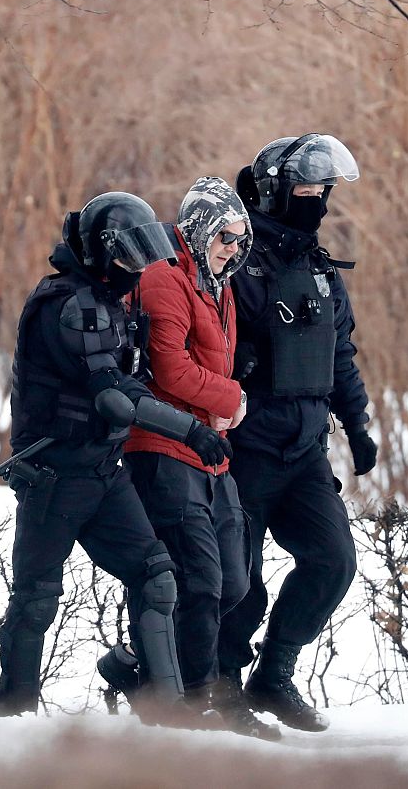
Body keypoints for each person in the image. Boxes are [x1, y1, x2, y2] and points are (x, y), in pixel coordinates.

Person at [0, 191, 232, 722]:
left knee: (156, 576)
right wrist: (189, 429)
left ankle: (167, 714)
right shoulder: (69, 303)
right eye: (126, 259)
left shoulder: (108, 301)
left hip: (102, 469)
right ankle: (12, 719)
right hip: (54, 474)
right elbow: (113, 396)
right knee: (36, 598)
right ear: (102, 254)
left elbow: (131, 379)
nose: (134, 271)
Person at [95, 177, 280, 740]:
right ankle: (189, 701)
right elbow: (169, 369)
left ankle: (137, 672)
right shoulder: (164, 278)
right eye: (226, 235)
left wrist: (226, 398)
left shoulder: (215, 279)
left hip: (210, 450)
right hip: (163, 448)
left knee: (234, 584)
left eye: (241, 239)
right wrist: (233, 400)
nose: (234, 248)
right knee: (195, 579)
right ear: (200, 227)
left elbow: (212, 365)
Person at [216, 135, 377, 732]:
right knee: (241, 580)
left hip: (307, 449)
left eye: (323, 192)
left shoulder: (319, 267)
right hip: (245, 446)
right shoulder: (236, 261)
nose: (317, 202)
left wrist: (356, 424)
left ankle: (274, 672)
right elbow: (206, 341)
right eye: (307, 191)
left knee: (332, 561)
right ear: (274, 191)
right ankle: (222, 684)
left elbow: (340, 355)